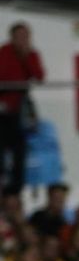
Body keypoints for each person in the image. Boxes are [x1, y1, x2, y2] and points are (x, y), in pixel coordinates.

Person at [0, 22, 45, 193]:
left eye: (26, 36)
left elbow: (39, 76)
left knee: (20, 148)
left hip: (20, 107)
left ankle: (16, 188)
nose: (23, 40)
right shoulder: (3, 52)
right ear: (12, 37)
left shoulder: (32, 54)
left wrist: (25, 58)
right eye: (20, 36)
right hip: (3, 106)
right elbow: (3, 75)